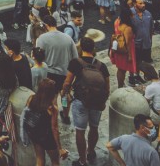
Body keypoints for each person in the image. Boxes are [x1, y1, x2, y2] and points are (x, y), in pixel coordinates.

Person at [62, 36, 109, 166]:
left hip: (80, 102)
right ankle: (91, 151)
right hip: (97, 102)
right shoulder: (102, 66)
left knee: (80, 131)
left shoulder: (75, 63)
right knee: (94, 128)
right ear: (93, 48)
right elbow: (107, 87)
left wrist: (64, 95)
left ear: (81, 47)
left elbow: (67, 83)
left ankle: (82, 161)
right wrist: (103, 102)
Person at [24, 78, 66, 166]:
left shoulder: (31, 98)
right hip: (47, 137)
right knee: (55, 161)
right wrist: (60, 148)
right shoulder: (52, 108)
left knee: (40, 159)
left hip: (35, 134)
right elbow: (54, 128)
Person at [35, 13, 77, 91]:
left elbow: (38, 58)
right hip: (65, 74)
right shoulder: (68, 38)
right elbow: (75, 58)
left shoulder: (41, 39)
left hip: (49, 74)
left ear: (46, 25)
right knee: (65, 96)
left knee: (52, 99)